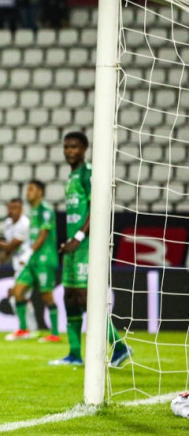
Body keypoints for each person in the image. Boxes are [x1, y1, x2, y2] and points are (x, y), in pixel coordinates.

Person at [52, 132, 132, 367]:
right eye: (66, 147)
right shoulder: (71, 176)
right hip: (73, 245)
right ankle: (75, 354)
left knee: (87, 297)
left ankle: (119, 347)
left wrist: (78, 236)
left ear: (85, 148)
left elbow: (98, 206)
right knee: (69, 297)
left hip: (86, 245)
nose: (69, 151)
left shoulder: (88, 174)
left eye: (74, 147)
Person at [11, 180, 62, 346]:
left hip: (44, 259)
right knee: (18, 290)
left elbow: (43, 234)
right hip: (32, 259)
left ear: (40, 192)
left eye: (32, 189)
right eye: (27, 189)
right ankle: (23, 329)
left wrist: (29, 251)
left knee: (47, 295)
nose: (28, 192)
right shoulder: (32, 212)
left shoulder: (45, 210)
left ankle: (54, 333)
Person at [0, 198, 40, 340]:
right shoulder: (8, 224)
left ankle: (25, 329)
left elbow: (10, 246)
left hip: (28, 263)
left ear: (21, 210)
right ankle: (30, 330)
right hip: (18, 264)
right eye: (11, 207)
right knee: (19, 296)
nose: (13, 211)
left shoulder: (24, 224)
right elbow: (9, 249)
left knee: (15, 294)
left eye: (16, 208)